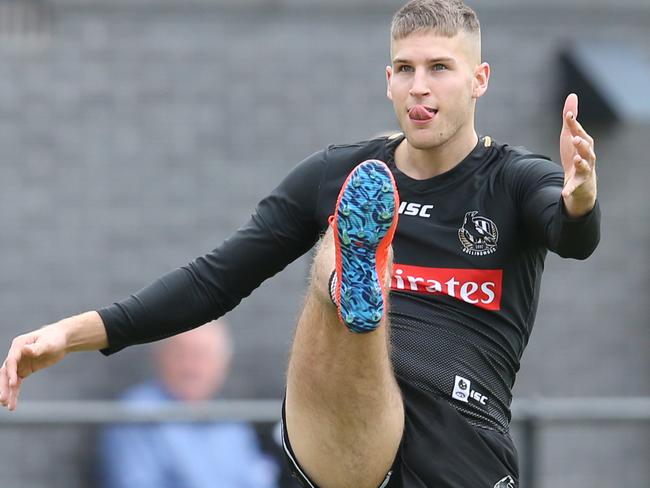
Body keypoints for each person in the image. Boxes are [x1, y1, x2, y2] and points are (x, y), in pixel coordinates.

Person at [0, 1, 600, 487]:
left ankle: (351, 280)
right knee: (332, 259)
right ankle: (350, 283)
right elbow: (217, 278)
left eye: (439, 68)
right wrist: (69, 334)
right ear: (388, 79)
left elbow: (574, 236)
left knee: (339, 259)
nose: (420, 87)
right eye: (405, 69)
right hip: (340, 422)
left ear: (479, 79)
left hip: (458, 432)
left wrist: (579, 198)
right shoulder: (339, 172)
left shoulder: (517, 177)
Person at [97, 320, 278, 488]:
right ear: (161, 357)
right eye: (181, 353)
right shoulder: (135, 413)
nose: (191, 366)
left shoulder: (231, 420)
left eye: (203, 355)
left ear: (223, 364)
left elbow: (255, 480)